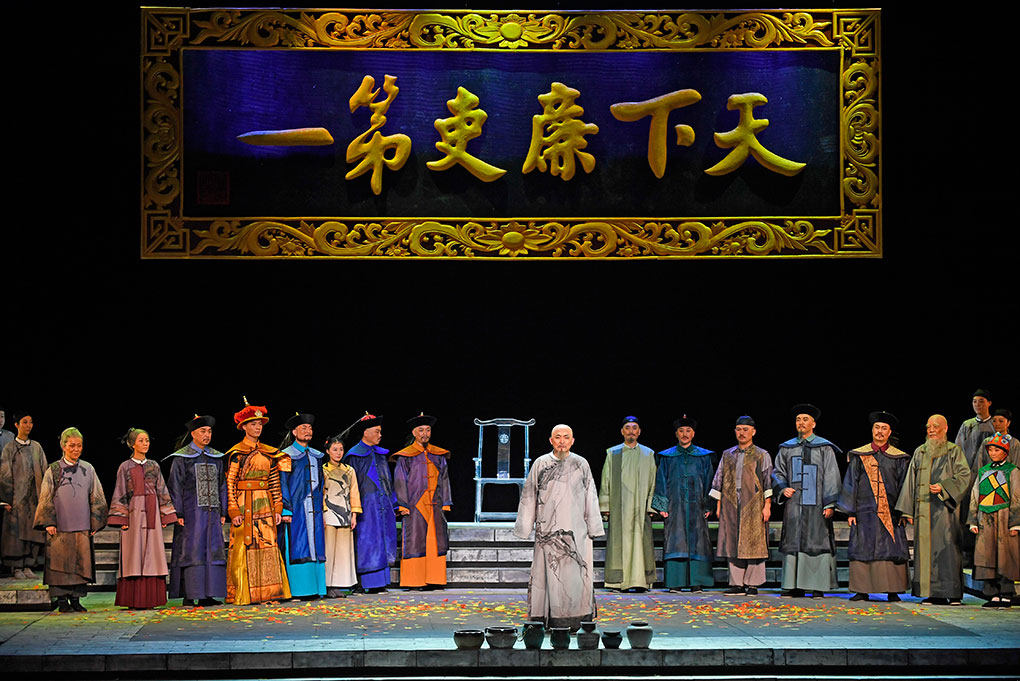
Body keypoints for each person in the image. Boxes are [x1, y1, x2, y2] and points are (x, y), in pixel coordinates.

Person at [513, 424, 603, 630]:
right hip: (548, 530)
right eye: (558, 437)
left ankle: (576, 619)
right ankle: (548, 618)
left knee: (576, 576)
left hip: (577, 530)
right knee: (548, 576)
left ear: (572, 441)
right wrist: (526, 526)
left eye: (566, 437)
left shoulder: (581, 464)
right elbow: (529, 495)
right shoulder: (541, 463)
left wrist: (594, 527)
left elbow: (591, 495)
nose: (562, 441)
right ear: (551, 440)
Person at [895, 414, 970, 605]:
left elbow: (964, 476)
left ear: (945, 428)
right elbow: (910, 481)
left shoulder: (953, 451)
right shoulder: (920, 452)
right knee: (926, 553)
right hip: (923, 511)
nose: (931, 430)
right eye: (928, 427)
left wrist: (944, 488)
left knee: (947, 551)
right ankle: (932, 594)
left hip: (945, 511)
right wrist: (907, 511)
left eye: (935, 426)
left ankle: (952, 594)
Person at [837, 411, 911, 602]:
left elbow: (905, 485)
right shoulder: (859, 456)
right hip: (864, 512)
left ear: (889, 432)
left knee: (892, 549)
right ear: (872, 430)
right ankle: (862, 590)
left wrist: (904, 511)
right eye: (877, 427)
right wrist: (850, 511)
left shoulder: (899, 458)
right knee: (863, 548)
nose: (880, 431)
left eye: (884, 428)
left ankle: (893, 590)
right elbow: (851, 483)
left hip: (892, 513)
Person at [33, 428, 108, 613]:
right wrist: (49, 522)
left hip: (82, 524)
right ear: (63, 446)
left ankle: (76, 599)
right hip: (60, 525)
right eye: (72, 445)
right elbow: (45, 496)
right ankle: (62, 600)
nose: (76, 449)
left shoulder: (88, 468)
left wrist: (95, 521)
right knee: (59, 564)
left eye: (79, 445)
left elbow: (96, 495)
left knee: (80, 563)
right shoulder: (54, 469)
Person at [224, 399, 291, 605]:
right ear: (244, 427)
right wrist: (234, 510)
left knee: (268, 544)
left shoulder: (269, 453)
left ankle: (269, 593)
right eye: (253, 424)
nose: (257, 427)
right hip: (244, 503)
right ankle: (246, 593)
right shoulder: (237, 453)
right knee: (246, 545)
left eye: (260, 424)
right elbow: (230, 482)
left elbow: (275, 483)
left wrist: (278, 507)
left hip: (265, 504)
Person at [773, 404, 841, 598]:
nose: (801, 423)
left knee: (817, 542)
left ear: (813, 423)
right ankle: (795, 585)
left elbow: (831, 475)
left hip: (817, 506)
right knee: (793, 542)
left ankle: (818, 587)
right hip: (794, 505)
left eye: (805, 419)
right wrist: (783, 487)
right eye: (798, 419)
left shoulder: (824, 448)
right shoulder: (787, 448)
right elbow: (778, 472)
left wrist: (829, 503)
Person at [108, 428, 178, 609]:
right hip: (134, 515)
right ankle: (133, 599)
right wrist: (122, 518)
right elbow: (120, 491)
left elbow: (162, 490)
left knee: (152, 555)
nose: (145, 443)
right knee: (134, 555)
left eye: (147, 440)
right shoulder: (125, 466)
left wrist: (165, 514)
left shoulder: (154, 466)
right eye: (141, 440)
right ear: (132, 444)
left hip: (152, 515)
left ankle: (151, 599)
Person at [165, 414, 228, 606]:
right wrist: (178, 512)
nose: (207, 435)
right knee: (192, 552)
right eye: (203, 431)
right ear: (193, 433)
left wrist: (223, 511)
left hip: (212, 514)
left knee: (212, 551)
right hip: (191, 514)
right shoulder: (182, 458)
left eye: (209, 431)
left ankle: (208, 595)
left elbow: (222, 485)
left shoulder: (216, 457)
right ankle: (190, 594)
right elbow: (175, 486)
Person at [652, 414, 716, 592]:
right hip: (675, 506)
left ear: (693, 433)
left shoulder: (703, 456)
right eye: (681, 431)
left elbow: (710, 481)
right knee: (676, 541)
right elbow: (661, 481)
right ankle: (676, 582)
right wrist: (662, 506)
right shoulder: (667, 457)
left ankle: (697, 582)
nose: (685, 434)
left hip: (698, 507)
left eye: (688, 431)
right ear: (676, 434)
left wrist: (709, 505)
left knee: (699, 541)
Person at [709, 416, 773, 596]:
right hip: (730, 502)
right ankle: (737, 583)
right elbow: (719, 479)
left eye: (745, 429)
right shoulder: (727, 454)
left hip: (753, 502)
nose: (742, 433)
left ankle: (753, 583)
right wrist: (719, 505)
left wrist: (767, 505)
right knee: (732, 541)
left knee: (754, 541)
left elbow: (768, 480)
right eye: (738, 429)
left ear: (753, 431)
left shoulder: (762, 454)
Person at [391, 413, 452, 590]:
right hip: (414, 504)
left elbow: (445, 479)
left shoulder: (438, 455)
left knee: (435, 541)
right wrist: (402, 504)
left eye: (428, 430)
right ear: (414, 433)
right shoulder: (406, 456)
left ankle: (434, 579)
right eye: (421, 430)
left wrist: (445, 501)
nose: (425, 434)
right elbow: (400, 480)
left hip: (435, 504)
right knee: (415, 540)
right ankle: (414, 580)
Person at [344, 413, 397, 593]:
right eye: (377, 431)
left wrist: (393, 503)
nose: (380, 435)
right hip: (366, 506)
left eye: (380, 431)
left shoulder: (380, 454)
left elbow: (388, 480)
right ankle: (367, 583)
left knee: (383, 540)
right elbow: (352, 485)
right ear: (365, 433)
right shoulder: (354, 455)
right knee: (368, 543)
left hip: (383, 504)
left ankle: (381, 582)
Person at [966, 433, 1020, 608]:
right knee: (987, 555)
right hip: (986, 518)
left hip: (1004, 517)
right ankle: (992, 593)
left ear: (1005, 452)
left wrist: (1015, 522)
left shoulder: (1012, 471)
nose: (993, 453)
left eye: (997, 450)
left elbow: (1017, 496)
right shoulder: (984, 471)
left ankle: (1006, 593)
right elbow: (975, 495)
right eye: (990, 450)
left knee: (1005, 556)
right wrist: (973, 519)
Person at [279, 412, 327, 600]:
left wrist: (322, 510)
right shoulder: (286, 456)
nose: (308, 431)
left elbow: (321, 485)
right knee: (298, 545)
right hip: (297, 509)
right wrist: (286, 508)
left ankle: (316, 588)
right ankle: (299, 590)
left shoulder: (316, 456)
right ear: (294, 432)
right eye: (303, 428)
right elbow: (282, 483)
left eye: (310, 428)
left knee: (316, 544)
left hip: (315, 508)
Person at [0, 410, 47, 580]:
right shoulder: (10, 448)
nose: (28, 425)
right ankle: (16, 567)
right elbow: (4, 475)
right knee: (16, 535)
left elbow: (44, 471)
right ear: (16, 425)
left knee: (33, 533)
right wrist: (6, 500)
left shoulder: (36, 447)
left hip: (34, 499)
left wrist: (45, 497)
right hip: (16, 499)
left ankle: (29, 565)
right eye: (25, 422)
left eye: (30, 422)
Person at [955, 389, 997, 562]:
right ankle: (967, 552)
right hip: (969, 477)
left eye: (981, 401)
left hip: (990, 475)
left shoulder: (995, 424)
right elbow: (958, 449)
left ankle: (987, 553)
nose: (977, 404)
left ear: (989, 403)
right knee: (967, 512)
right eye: (974, 401)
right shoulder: (968, 425)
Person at [322, 433, 361, 598]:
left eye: (341, 449)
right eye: (335, 449)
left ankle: (339, 584)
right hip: (329, 514)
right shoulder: (323, 470)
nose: (338, 453)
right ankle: (327, 585)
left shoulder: (349, 470)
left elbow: (354, 493)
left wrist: (354, 515)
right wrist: (323, 513)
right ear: (327, 451)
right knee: (329, 551)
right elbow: (321, 493)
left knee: (343, 552)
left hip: (345, 514)